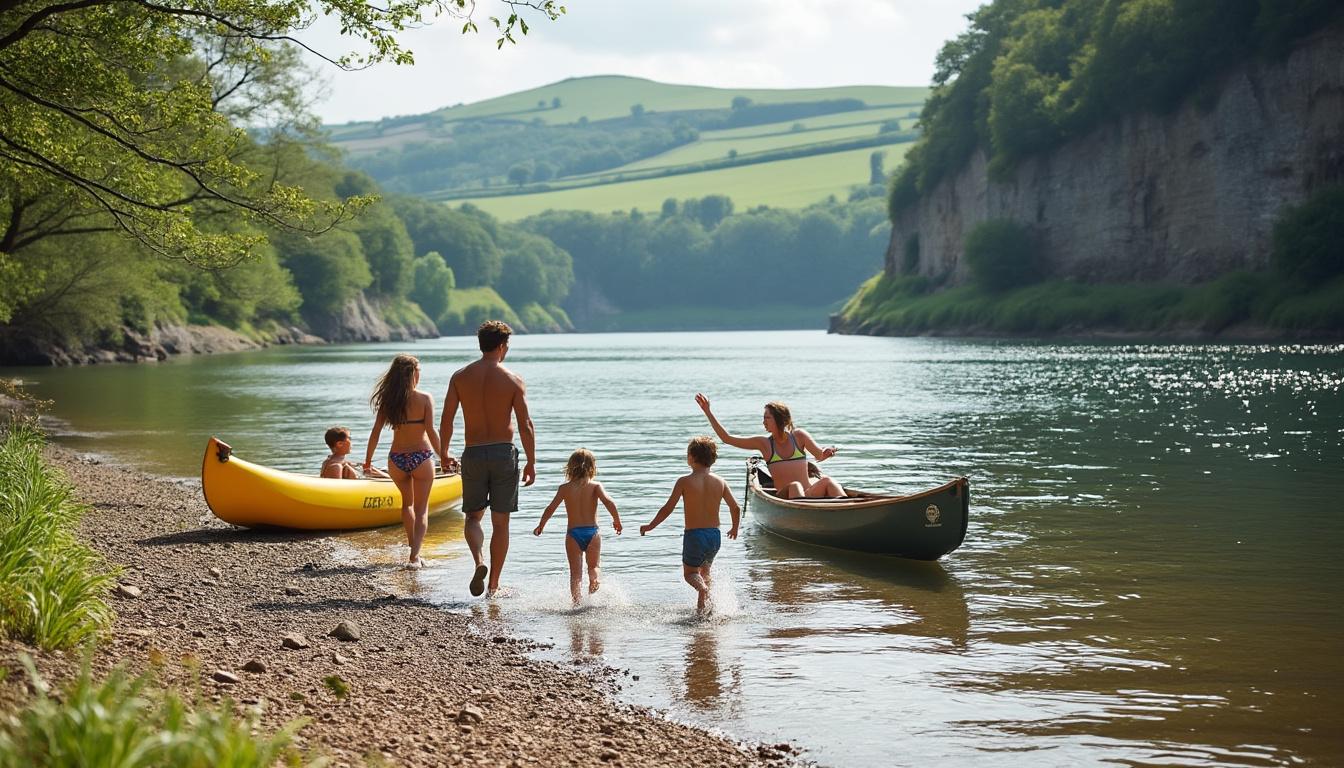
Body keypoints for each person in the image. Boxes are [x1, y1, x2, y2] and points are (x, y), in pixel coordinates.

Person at [440, 320, 536, 597]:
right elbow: (525, 424)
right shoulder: (513, 380)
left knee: (472, 517)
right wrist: (531, 460)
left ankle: (479, 561)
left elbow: (447, 420)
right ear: (503, 346)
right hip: (503, 453)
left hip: (473, 452)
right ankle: (494, 585)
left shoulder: (460, 377)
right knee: (501, 522)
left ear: (481, 344)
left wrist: (445, 451)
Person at [640, 436, 741, 614]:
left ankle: (702, 592)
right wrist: (734, 528)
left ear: (691, 457)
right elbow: (735, 507)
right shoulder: (720, 481)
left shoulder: (684, 481)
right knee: (705, 573)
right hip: (714, 536)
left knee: (690, 574)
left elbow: (667, 508)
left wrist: (650, 526)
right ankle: (705, 613)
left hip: (695, 535)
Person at [365, 355, 441, 569]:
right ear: (413, 373)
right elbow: (431, 431)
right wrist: (443, 455)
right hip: (421, 457)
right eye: (419, 370)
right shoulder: (425, 398)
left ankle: (412, 547)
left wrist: (368, 460)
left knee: (407, 504)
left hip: (396, 459)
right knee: (422, 509)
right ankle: (415, 556)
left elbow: (375, 433)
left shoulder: (389, 401)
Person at [694, 393, 842, 500]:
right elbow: (727, 439)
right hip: (785, 497)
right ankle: (807, 513)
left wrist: (827, 452)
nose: (763, 422)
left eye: (767, 418)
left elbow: (819, 455)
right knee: (795, 486)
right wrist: (708, 412)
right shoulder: (764, 444)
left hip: (808, 494)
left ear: (779, 420)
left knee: (828, 481)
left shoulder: (799, 436)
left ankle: (844, 509)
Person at [533, 448, 623, 606]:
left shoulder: (565, 488)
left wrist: (541, 525)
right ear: (592, 467)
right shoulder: (595, 486)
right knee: (594, 566)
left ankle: (576, 603)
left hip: (573, 534)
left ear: (570, 468)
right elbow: (609, 502)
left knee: (575, 574)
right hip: (592, 532)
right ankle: (594, 580)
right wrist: (617, 520)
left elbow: (550, 508)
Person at [320, 425, 388, 479]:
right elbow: (337, 491)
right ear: (339, 444)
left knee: (370, 468)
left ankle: (391, 478)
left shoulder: (328, 462)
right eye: (349, 438)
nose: (351, 442)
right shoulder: (336, 466)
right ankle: (393, 481)